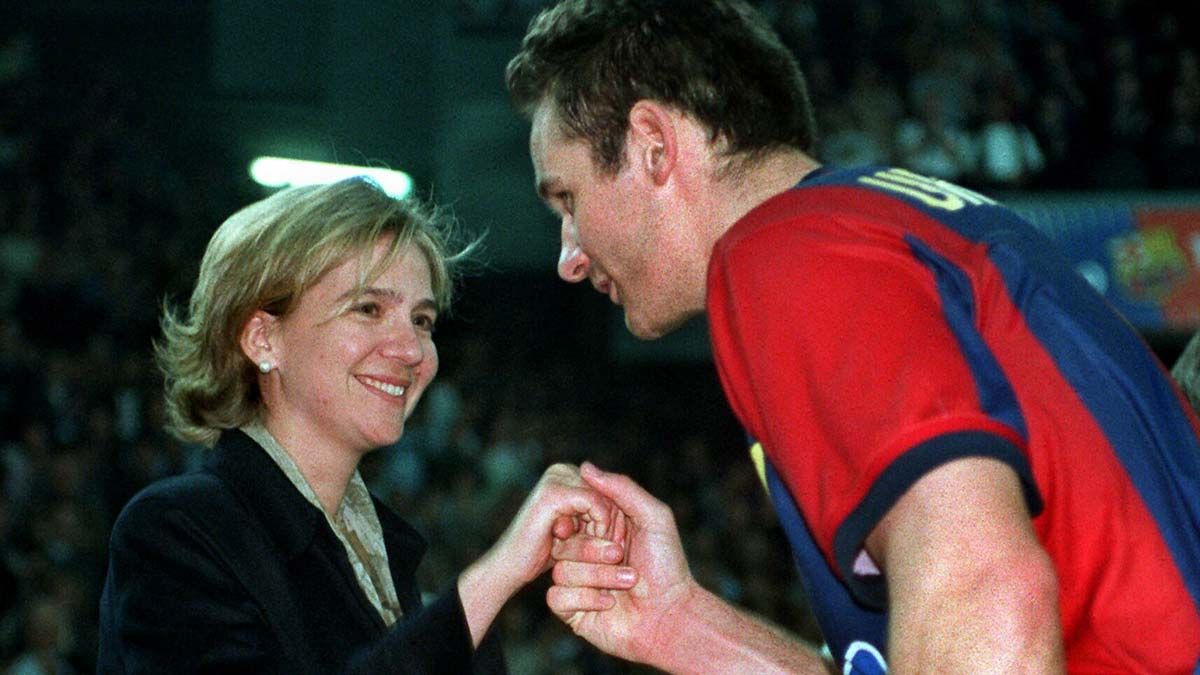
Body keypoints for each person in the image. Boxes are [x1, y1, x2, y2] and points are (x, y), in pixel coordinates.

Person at [506, 1, 1200, 672]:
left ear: (652, 145)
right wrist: (681, 623)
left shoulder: (789, 252)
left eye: (567, 199)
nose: (569, 256)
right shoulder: (887, 224)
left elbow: (987, 596)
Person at [96, 177, 636, 674]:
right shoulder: (175, 530)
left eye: (422, 320)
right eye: (368, 309)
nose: (411, 350)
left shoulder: (385, 551)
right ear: (263, 339)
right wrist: (492, 579)